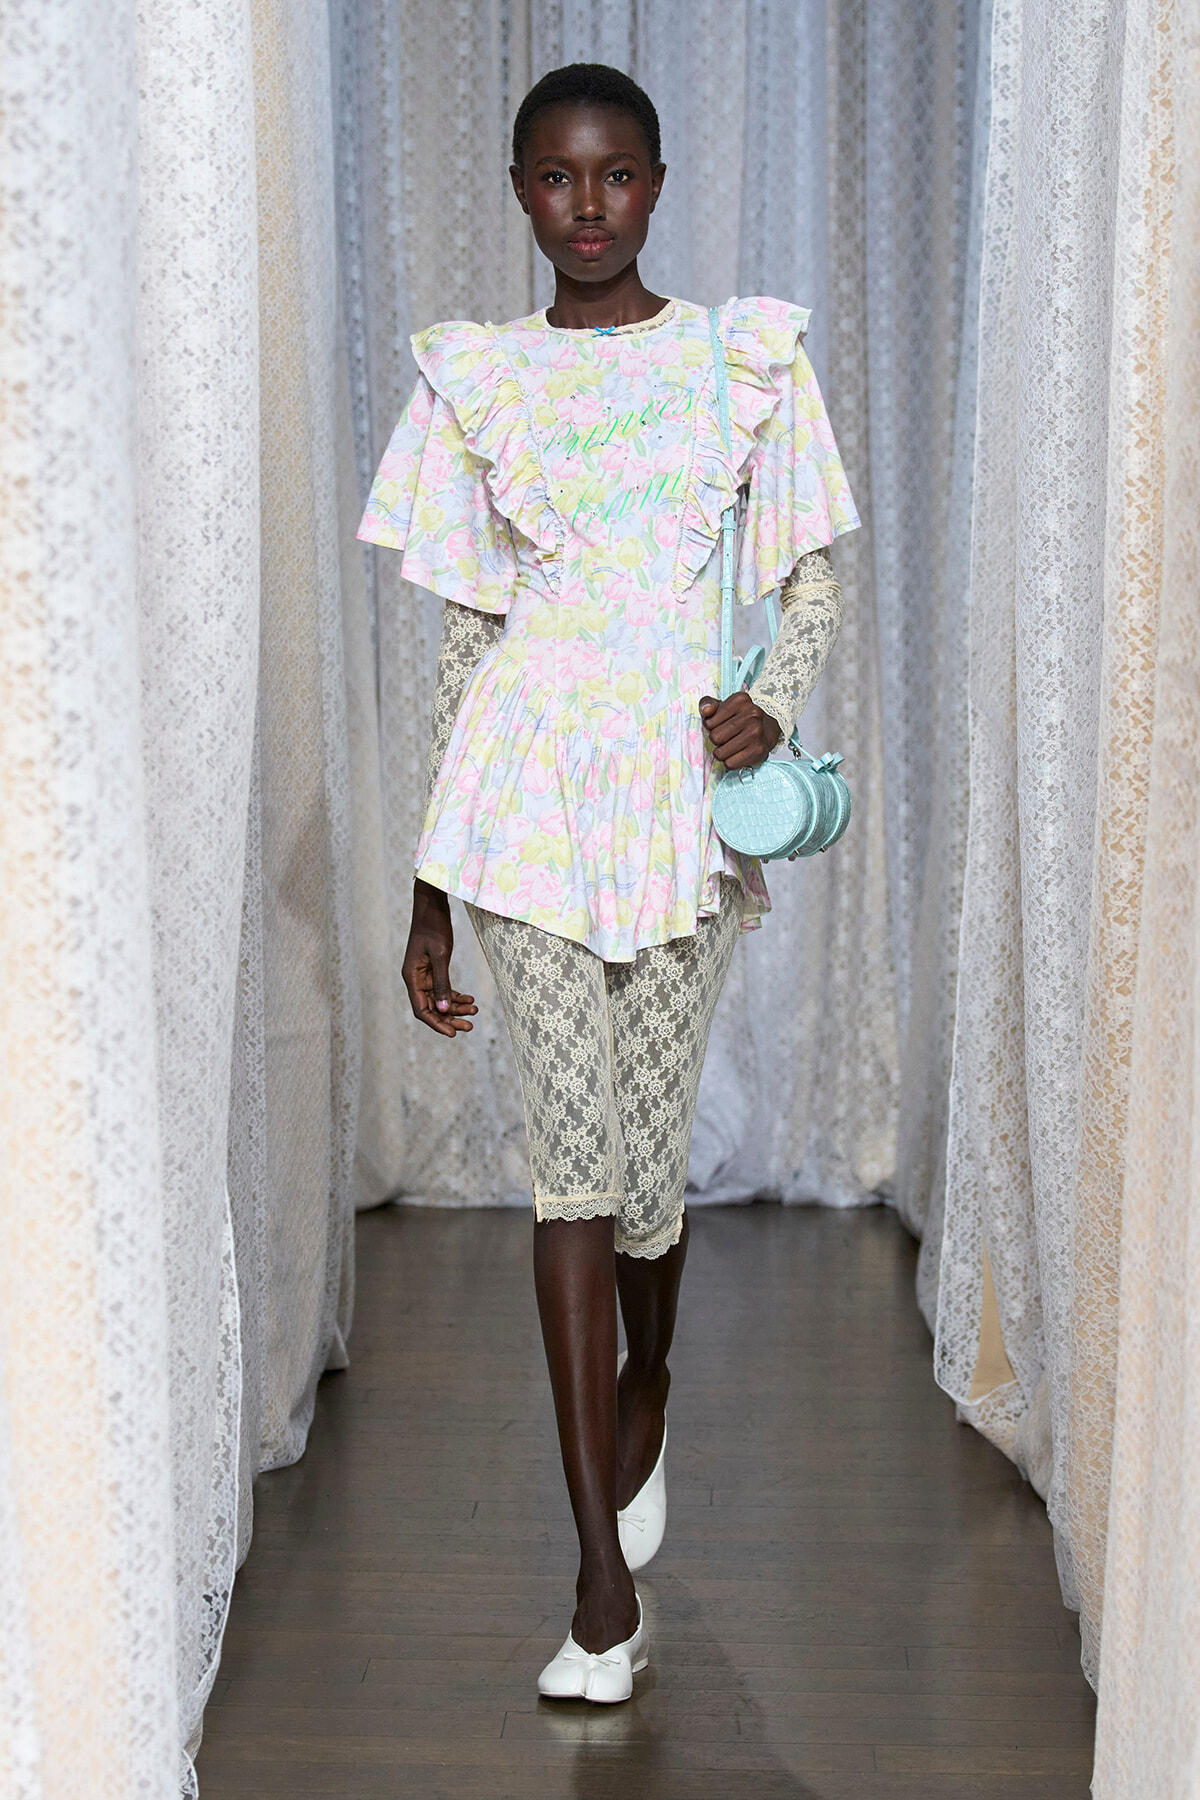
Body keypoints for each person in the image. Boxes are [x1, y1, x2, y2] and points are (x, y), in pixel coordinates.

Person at [357, 62, 858, 1704]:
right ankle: (594, 1586)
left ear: (656, 183)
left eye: (618, 175)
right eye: (559, 179)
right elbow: (462, 642)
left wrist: (775, 693)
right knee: (567, 1159)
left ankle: (653, 1381)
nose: (589, 205)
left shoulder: (742, 364)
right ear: (517, 189)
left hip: (679, 797)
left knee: (650, 1168)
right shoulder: (477, 382)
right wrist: (431, 888)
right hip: (521, 796)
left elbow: (809, 579)